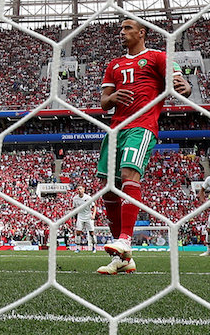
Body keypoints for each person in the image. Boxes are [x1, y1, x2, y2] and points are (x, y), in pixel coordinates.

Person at [95, 18, 191, 275]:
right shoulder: (114, 64)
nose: (122, 32)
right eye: (121, 28)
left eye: (127, 28)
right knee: (108, 191)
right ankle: (122, 257)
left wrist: (186, 86)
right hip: (116, 130)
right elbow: (104, 101)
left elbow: (181, 84)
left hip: (142, 126)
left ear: (141, 32)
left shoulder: (158, 57)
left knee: (128, 176)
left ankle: (125, 239)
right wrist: (112, 97)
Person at [71, 185, 97, 252]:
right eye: (78, 189)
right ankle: (77, 248)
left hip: (88, 216)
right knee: (78, 232)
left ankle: (94, 247)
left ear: (84, 190)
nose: (79, 190)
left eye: (80, 189)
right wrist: (73, 216)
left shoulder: (88, 198)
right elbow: (74, 208)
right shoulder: (75, 198)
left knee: (91, 232)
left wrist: (93, 215)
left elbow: (94, 206)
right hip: (80, 216)